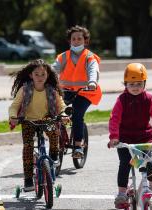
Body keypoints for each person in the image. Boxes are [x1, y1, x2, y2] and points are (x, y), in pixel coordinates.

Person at [108, 63, 152, 208]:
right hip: (124, 139)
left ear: (145, 83)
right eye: (131, 84)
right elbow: (114, 119)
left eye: (139, 83)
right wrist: (114, 137)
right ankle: (122, 193)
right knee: (125, 164)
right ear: (125, 84)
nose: (135, 87)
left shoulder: (148, 99)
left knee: (148, 163)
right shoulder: (121, 100)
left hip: (144, 138)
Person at [8, 59, 66, 192]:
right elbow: (14, 106)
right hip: (28, 121)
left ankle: (54, 156)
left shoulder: (52, 90)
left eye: (43, 74)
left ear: (48, 75)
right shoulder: (25, 89)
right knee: (28, 147)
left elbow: (61, 105)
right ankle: (28, 179)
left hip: (47, 119)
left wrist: (63, 114)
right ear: (30, 75)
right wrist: (13, 117)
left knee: (54, 133)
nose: (40, 77)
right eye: (36, 74)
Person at [52, 25, 102, 158]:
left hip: (86, 92)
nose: (76, 41)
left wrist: (92, 82)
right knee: (54, 111)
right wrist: (46, 78)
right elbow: (53, 69)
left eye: (80, 38)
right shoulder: (63, 56)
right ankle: (57, 139)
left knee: (77, 114)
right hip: (66, 91)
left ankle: (78, 146)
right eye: (73, 39)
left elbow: (93, 70)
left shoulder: (89, 57)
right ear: (70, 41)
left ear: (85, 41)